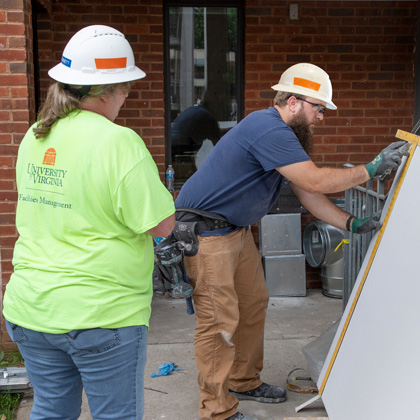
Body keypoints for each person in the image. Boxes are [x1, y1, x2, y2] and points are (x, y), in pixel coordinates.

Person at [174, 62, 407, 420]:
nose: (322, 117)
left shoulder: (285, 135)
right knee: (218, 323)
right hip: (207, 235)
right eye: (318, 108)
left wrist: (351, 222)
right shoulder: (267, 128)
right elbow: (314, 181)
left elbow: (306, 191)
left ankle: (243, 380)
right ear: (294, 101)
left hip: (236, 232)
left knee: (253, 304)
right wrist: (372, 168)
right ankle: (217, 410)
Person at [3, 25, 175, 420]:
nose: (126, 97)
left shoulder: (35, 135)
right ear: (105, 90)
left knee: (50, 410)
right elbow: (161, 224)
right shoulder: (119, 142)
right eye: (126, 88)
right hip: (99, 315)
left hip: (31, 309)